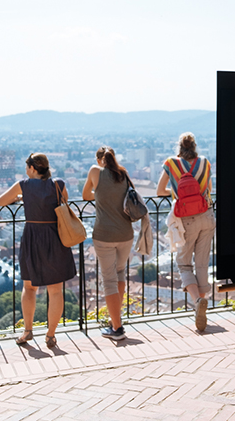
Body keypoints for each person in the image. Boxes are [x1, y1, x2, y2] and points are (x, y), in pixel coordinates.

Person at [0, 153, 77, 348]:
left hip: (32, 237)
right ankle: (50, 335)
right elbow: (63, 203)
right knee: (56, 291)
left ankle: (28, 330)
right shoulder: (58, 184)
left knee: (29, 287)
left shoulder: (24, 185)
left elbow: (0, 201)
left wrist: (21, 198)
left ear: (32, 168)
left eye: (27, 167)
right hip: (54, 238)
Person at [156, 132, 215, 331]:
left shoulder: (172, 164)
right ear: (195, 146)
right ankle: (203, 302)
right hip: (207, 215)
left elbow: (159, 190)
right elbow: (208, 189)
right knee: (202, 263)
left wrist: (176, 193)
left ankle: (198, 301)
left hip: (186, 219)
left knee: (183, 262)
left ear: (179, 147)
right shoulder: (205, 162)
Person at [82, 146, 135, 341]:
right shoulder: (123, 173)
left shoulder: (95, 172)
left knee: (108, 280)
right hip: (126, 233)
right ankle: (115, 320)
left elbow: (86, 195)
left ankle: (117, 328)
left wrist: (101, 195)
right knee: (120, 273)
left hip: (104, 234)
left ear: (98, 160)